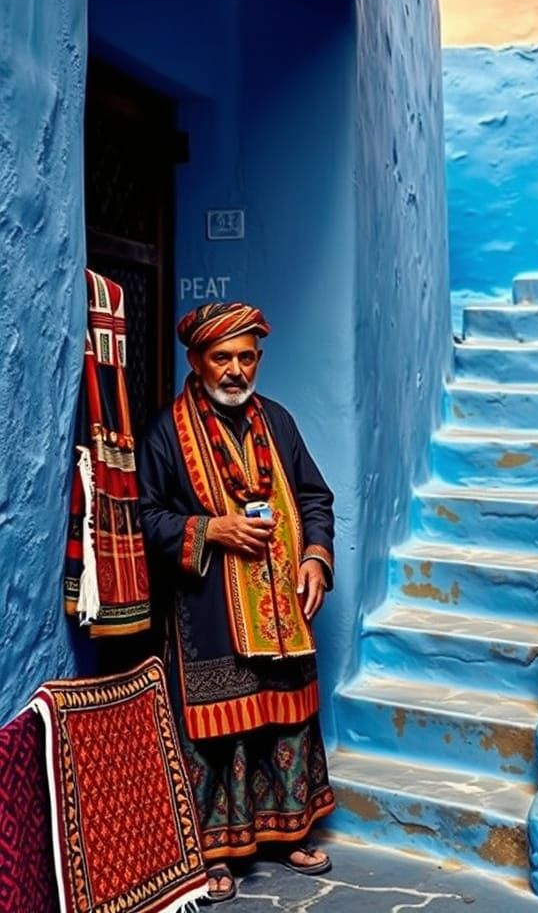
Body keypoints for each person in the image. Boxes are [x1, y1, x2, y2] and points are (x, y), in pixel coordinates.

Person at [137, 301, 336, 904]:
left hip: (283, 610)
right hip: (210, 616)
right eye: (222, 357)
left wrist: (315, 559)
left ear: (259, 360)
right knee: (218, 731)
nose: (235, 370)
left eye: (246, 358)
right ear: (196, 360)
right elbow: (145, 518)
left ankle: (289, 832)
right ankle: (213, 852)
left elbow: (314, 497)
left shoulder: (278, 422)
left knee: (286, 720)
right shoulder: (165, 433)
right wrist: (211, 530)